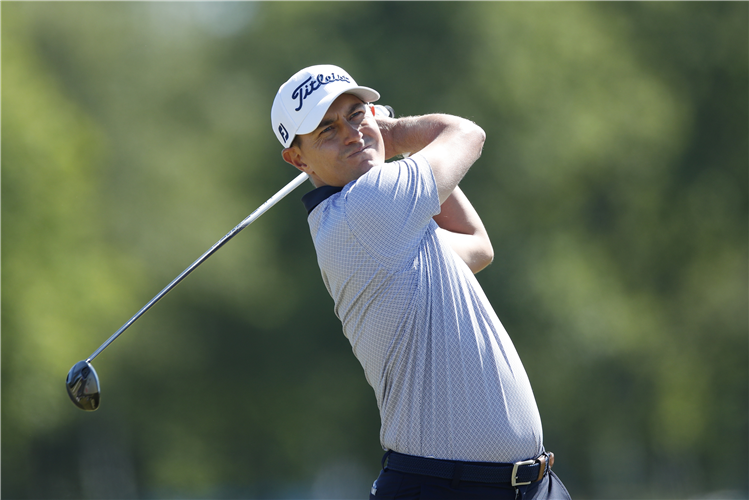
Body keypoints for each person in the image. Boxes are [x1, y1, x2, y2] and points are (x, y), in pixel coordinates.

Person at [271, 64, 571, 500]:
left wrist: (379, 143)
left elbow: (476, 245)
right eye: (327, 131)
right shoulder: (367, 208)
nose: (352, 133)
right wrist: (390, 135)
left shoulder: (386, 224)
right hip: (444, 487)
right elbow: (466, 133)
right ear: (297, 159)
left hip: (528, 485)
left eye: (356, 114)